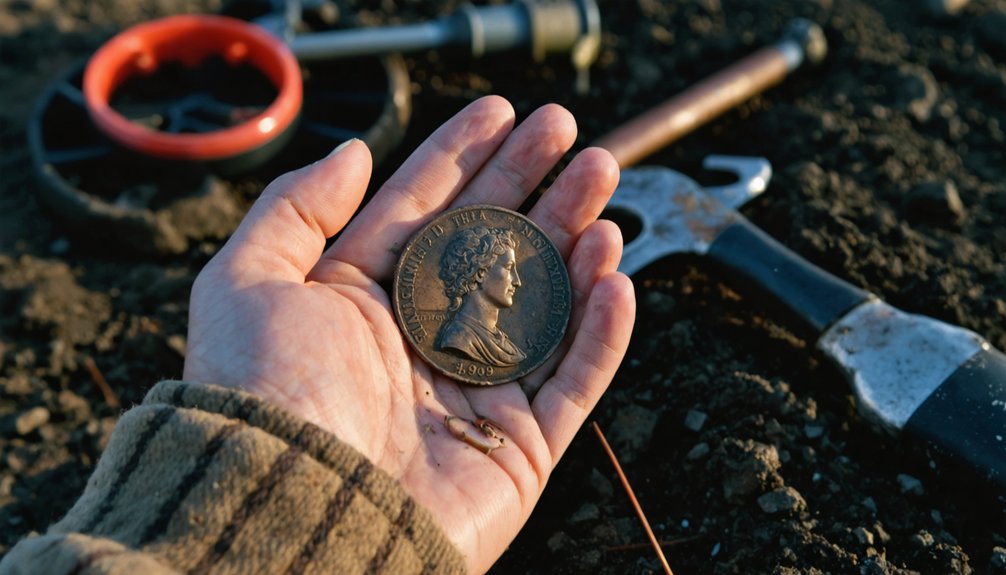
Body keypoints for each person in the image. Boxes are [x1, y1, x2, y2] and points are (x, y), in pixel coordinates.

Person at [0, 96, 635, 574]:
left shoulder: (500, 349)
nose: (519, 282)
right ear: (470, 274)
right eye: (505, 264)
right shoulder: (459, 340)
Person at [436, 226, 526, 367]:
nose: (517, 282)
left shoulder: (502, 342)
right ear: (479, 273)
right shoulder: (459, 339)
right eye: (509, 268)